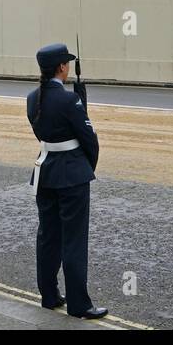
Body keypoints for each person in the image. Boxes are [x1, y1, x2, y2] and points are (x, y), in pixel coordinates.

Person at [27, 43, 107, 319]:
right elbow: (89, 140)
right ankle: (79, 305)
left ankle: (49, 296)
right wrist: (85, 167)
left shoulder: (32, 98)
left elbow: (43, 135)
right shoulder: (68, 100)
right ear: (62, 67)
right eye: (67, 63)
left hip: (45, 171)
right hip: (71, 175)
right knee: (73, 240)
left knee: (48, 237)